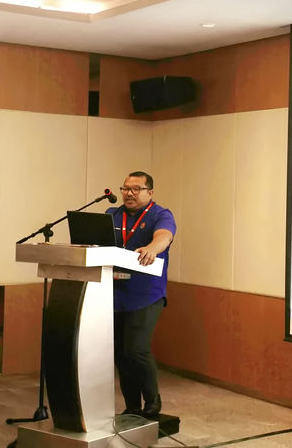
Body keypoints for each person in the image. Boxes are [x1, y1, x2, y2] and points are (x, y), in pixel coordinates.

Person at [106, 170, 176, 419]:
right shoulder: (112, 214)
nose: (129, 193)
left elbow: (164, 236)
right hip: (113, 293)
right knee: (120, 353)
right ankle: (132, 405)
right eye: (126, 188)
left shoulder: (160, 214)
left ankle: (153, 400)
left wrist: (152, 249)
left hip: (146, 295)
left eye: (136, 189)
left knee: (136, 348)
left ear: (150, 192)